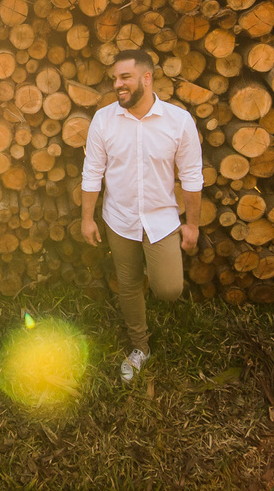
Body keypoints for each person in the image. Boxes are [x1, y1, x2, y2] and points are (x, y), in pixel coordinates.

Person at [80, 49, 204, 383]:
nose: (118, 85)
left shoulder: (178, 122)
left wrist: (192, 224)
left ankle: (157, 274)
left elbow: (192, 177)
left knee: (168, 289)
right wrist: (87, 218)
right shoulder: (104, 120)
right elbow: (92, 171)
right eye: (115, 79)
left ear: (146, 78)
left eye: (125, 77)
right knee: (129, 284)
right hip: (118, 219)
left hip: (161, 221)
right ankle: (140, 345)